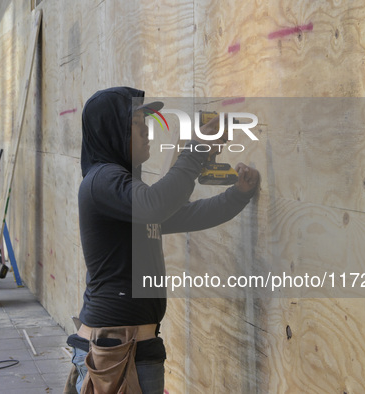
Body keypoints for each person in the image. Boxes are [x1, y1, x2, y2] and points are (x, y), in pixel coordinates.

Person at [65, 86, 259, 394]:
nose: (146, 130)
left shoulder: (126, 191)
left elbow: (185, 215)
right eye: (136, 123)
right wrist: (195, 151)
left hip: (132, 350)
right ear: (112, 130)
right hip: (115, 355)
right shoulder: (102, 181)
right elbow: (157, 203)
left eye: (146, 121)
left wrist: (238, 196)